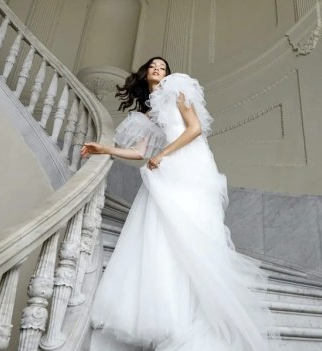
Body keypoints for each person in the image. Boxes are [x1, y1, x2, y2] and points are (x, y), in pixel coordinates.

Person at [81, 57, 278, 351]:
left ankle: (202, 312)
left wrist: (165, 154)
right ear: (145, 74)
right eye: (153, 66)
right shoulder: (148, 113)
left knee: (193, 231)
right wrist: (103, 148)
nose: (158, 69)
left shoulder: (177, 89)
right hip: (165, 169)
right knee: (160, 233)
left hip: (190, 166)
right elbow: (139, 152)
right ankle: (169, 313)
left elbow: (194, 128)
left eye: (163, 66)